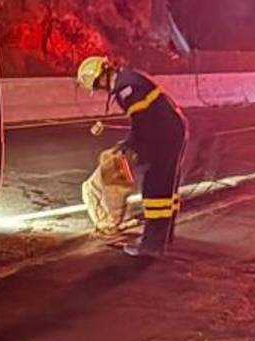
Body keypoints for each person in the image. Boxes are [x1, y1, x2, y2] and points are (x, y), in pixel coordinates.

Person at [76, 56, 189, 257]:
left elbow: (142, 120)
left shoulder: (125, 88)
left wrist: (136, 147)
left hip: (163, 134)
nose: (101, 89)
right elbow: (145, 118)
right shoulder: (128, 79)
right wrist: (130, 143)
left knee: (155, 189)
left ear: (101, 76)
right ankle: (163, 237)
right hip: (171, 130)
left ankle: (152, 245)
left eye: (97, 85)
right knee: (166, 187)